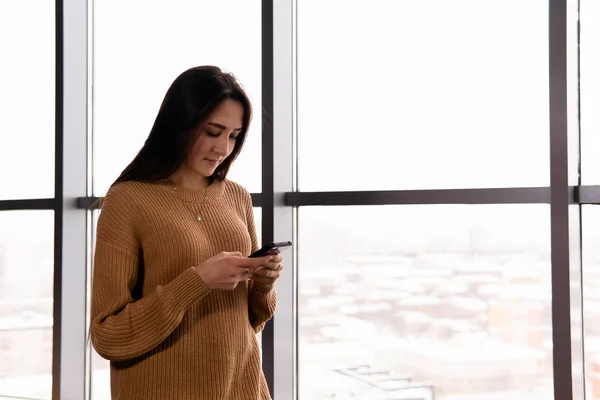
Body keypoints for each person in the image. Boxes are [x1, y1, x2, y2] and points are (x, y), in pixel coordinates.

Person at [90, 65, 283, 400]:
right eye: (212, 131)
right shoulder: (127, 200)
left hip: (242, 389)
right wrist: (198, 280)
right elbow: (108, 335)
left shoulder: (236, 196)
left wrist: (263, 283)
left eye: (234, 136)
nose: (223, 148)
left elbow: (249, 320)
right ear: (180, 125)